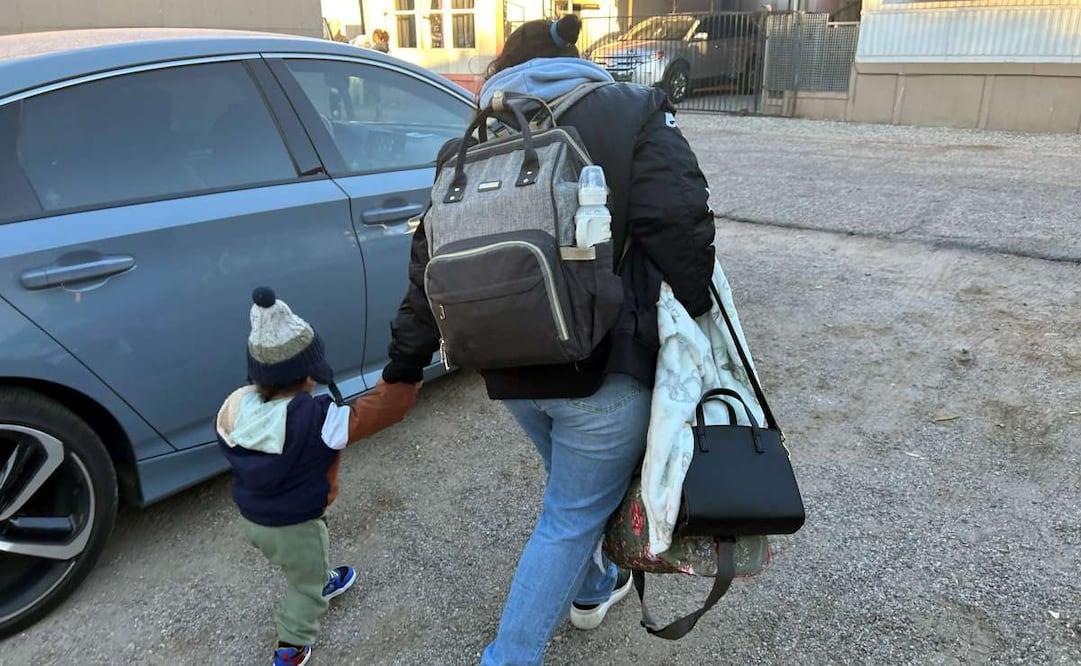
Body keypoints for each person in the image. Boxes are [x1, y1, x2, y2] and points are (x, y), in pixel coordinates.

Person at [382, 13, 716, 665]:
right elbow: (679, 222)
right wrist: (698, 318)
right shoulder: (632, 111)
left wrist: (403, 361)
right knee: (567, 516)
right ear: (580, 60)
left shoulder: (476, 136)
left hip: (508, 368)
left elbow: (426, 266)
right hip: (603, 365)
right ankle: (508, 655)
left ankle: (593, 588)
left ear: (503, 66)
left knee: (574, 497)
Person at [217, 287, 419, 666]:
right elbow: (377, 412)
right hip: (295, 525)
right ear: (308, 375)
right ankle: (291, 645)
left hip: (252, 518)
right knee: (304, 585)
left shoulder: (237, 408)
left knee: (302, 559)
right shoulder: (316, 420)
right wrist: (404, 376)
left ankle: (318, 574)